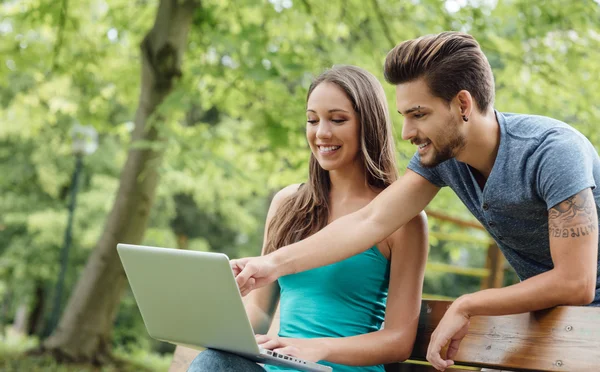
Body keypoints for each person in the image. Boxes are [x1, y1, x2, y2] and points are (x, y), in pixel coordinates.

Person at [232, 32, 600, 371]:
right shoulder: (444, 160)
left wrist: (468, 303)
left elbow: (576, 282)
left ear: (462, 104)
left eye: (419, 115)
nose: (407, 133)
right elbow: (369, 221)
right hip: (556, 321)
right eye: (404, 116)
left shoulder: (552, 151)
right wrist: (271, 264)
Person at [187, 65, 429, 372]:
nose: (321, 133)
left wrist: (319, 347)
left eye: (337, 119)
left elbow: (398, 340)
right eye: (312, 120)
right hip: (275, 368)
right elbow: (260, 310)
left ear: (367, 124)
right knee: (214, 361)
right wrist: (222, 331)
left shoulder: (404, 219)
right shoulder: (288, 205)